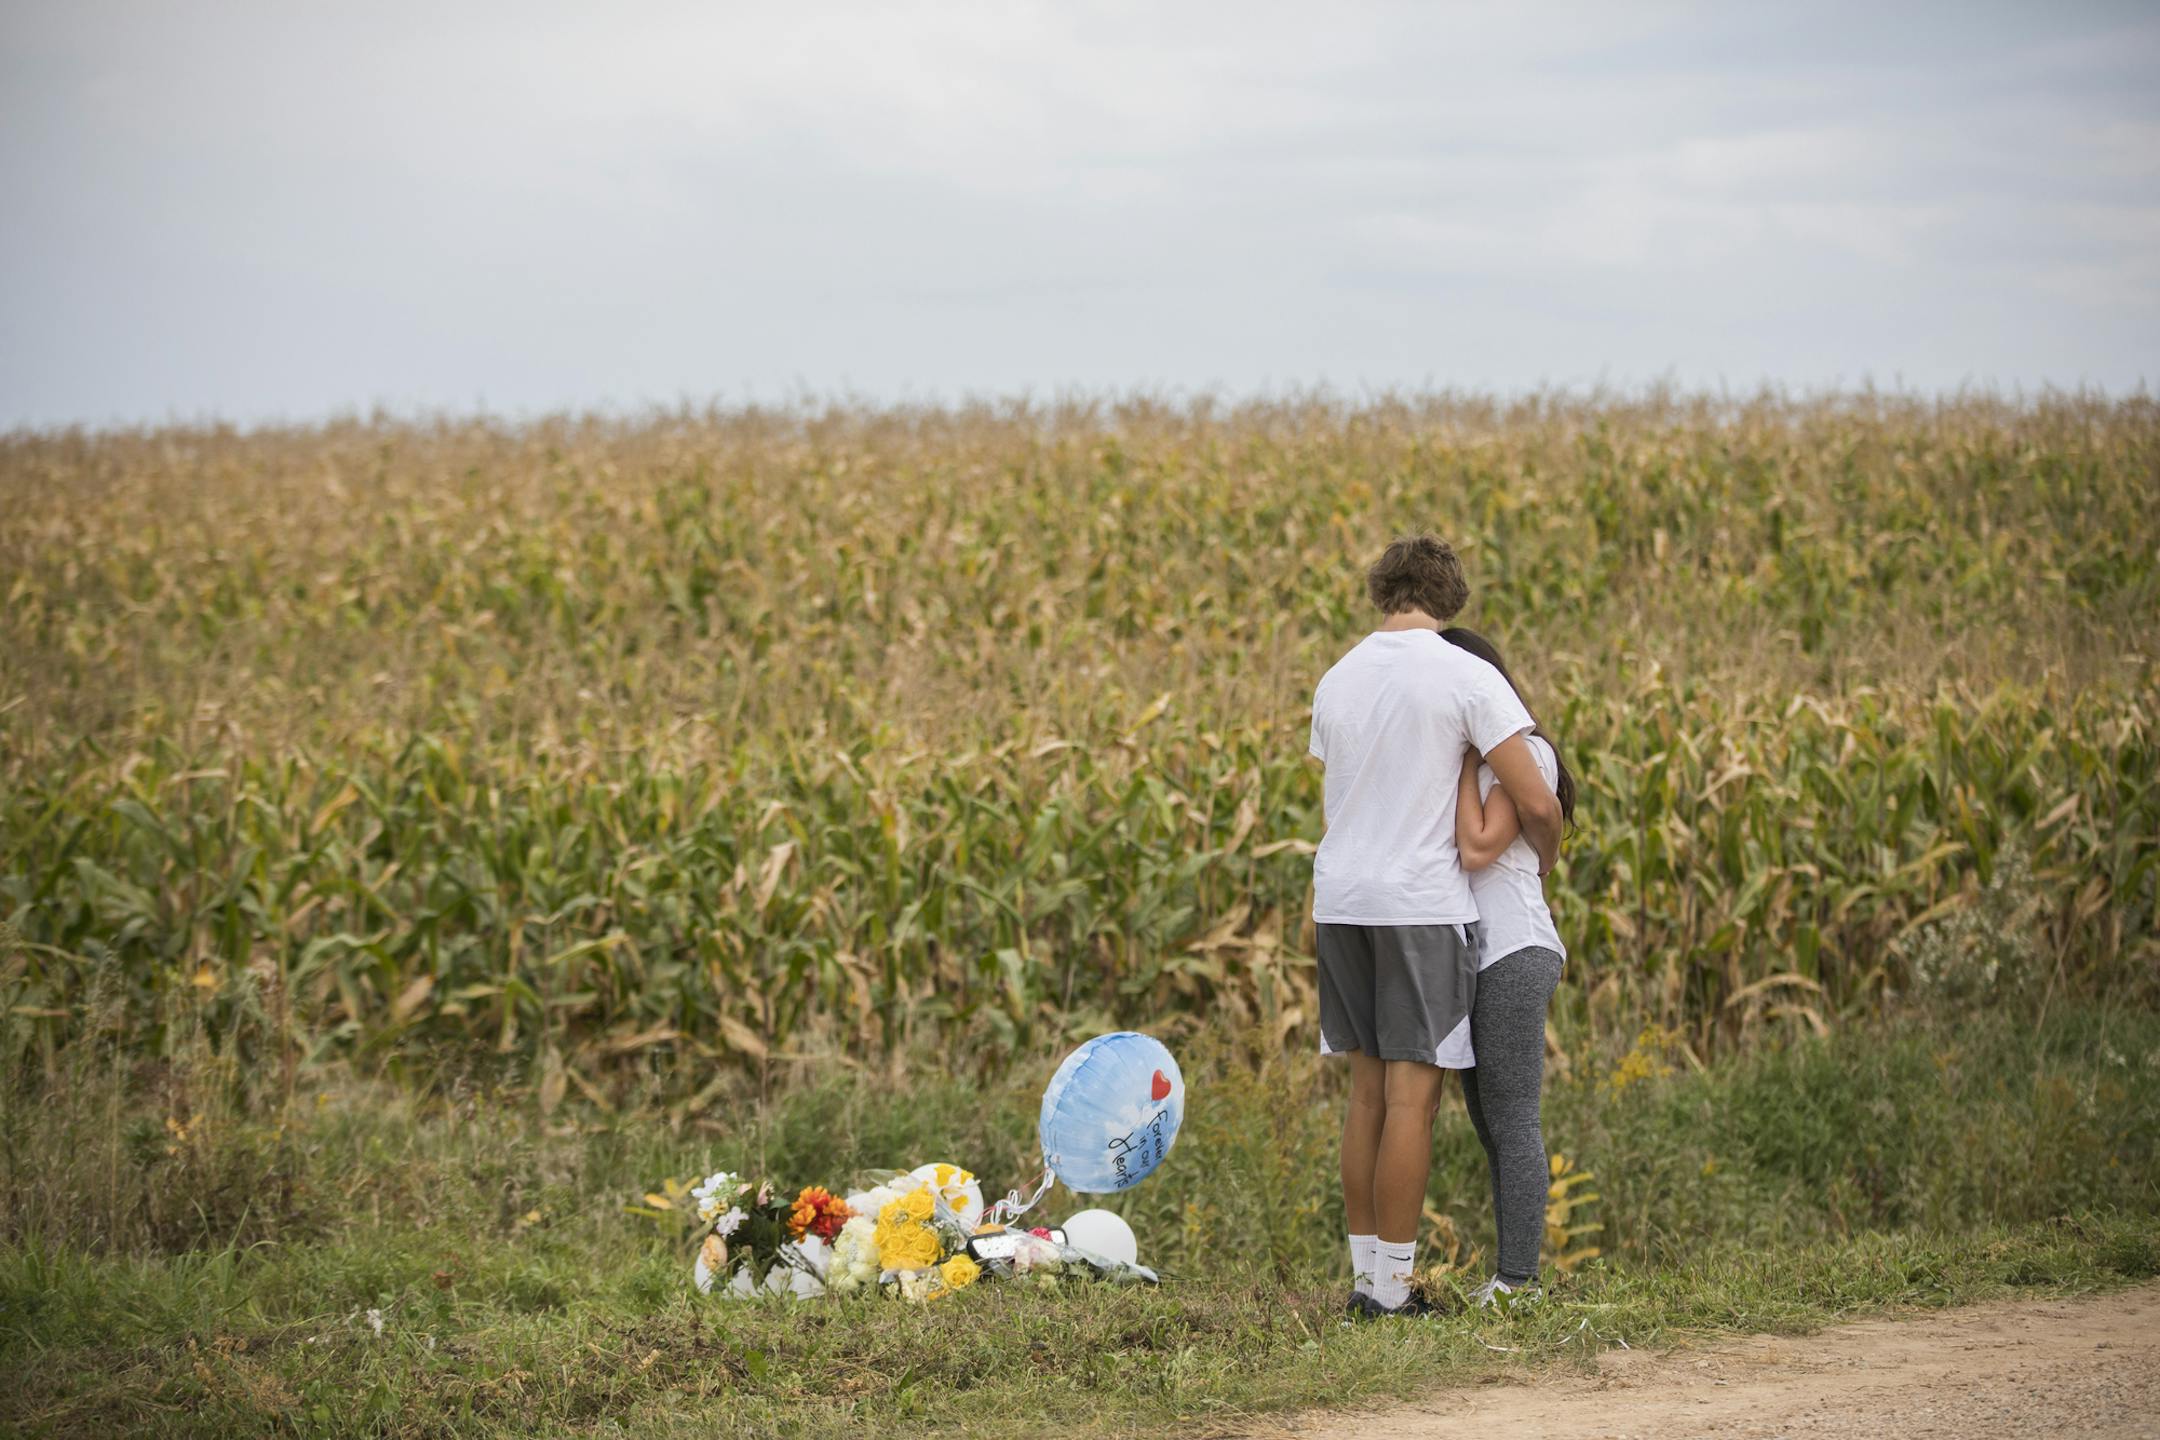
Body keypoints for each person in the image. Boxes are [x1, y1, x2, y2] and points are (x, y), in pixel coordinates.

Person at [1308, 534, 1563, 1318]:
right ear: (1449, 597)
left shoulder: (1337, 677)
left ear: (1383, 591)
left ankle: (1362, 1282)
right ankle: (1392, 1294)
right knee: (1413, 1103)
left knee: (1365, 1099)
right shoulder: (1465, 675)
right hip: (1418, 903)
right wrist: (1548, 862)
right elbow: (1540, 802)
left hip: (1341, 899)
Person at [1443, 626, 1577, 1307]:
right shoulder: (1492, 760)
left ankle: (1519, 1282)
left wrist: (1465, 760)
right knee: (1488, 1120)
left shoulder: (1518, 755)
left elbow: (1477, 846)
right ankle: (1507, 1275)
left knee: (1514, 1116)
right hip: (1481, 954)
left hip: (1514, 949)